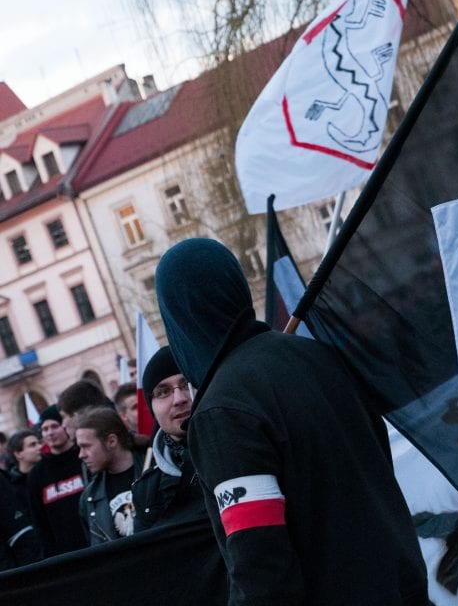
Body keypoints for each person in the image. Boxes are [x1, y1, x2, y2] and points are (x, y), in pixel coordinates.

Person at [156, 237, 428, 606]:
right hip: (401, 585)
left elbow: (261, 564)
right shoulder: (318, 355)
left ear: (179, 317)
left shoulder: (222, 411)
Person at [132, 346, 207, 532]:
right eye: (163, 392)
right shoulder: (146, 492)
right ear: (152, 408)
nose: (179, 399)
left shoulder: (242, 449)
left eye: (186, 383)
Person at [75, 406, 146, 544]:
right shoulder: (89, 499)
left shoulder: (155, 470)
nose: (81, 455)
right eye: (80, 448)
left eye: (86, 446)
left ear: (111, 441)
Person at [27, 405, 88, 556]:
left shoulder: (85, 458)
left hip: (95, 543)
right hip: (64, 554)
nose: (50, 432)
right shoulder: (36, 474)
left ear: (65, 426)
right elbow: (39, 521)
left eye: (54, 426)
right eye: (45, 429)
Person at [7, 428, 42, 511]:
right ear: (18, 454)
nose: (40, 447)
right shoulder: (11, 486)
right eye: (33, 445)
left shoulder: (49, 473)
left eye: (39, 443)